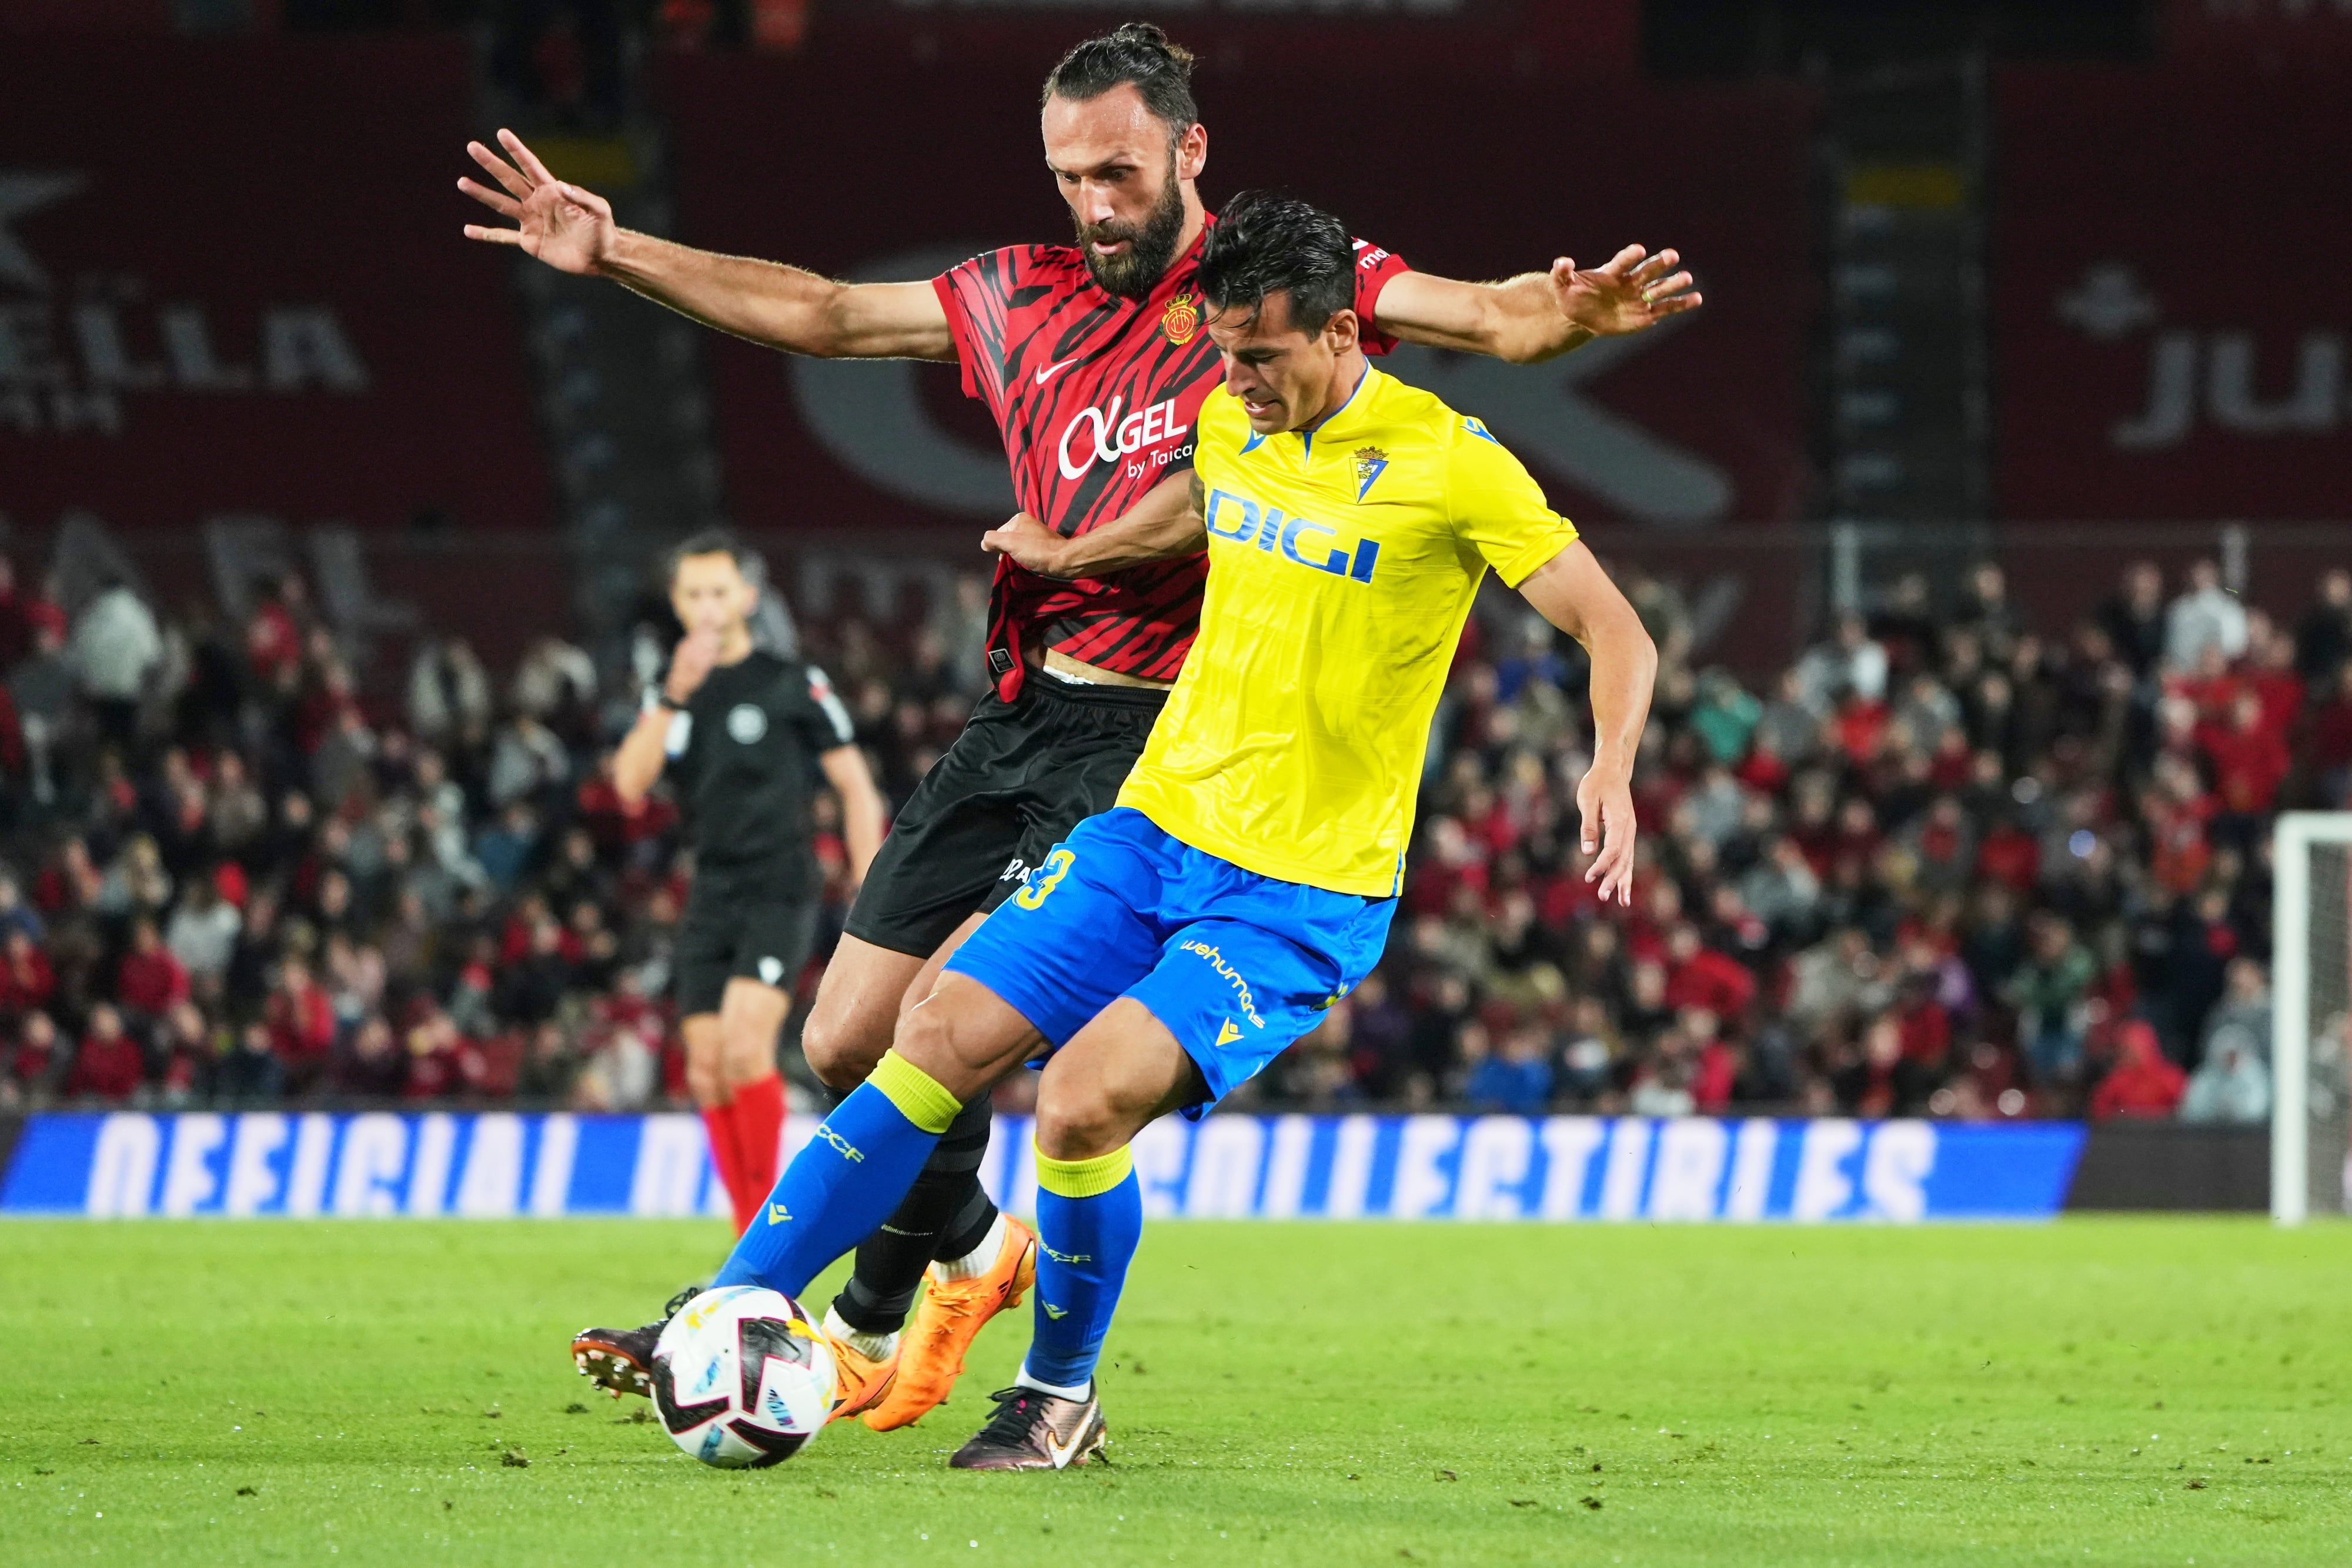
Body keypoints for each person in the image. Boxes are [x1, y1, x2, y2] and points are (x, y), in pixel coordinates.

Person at [514, 23, 1699, 1426]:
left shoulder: (1283, 293)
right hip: (1023, 710)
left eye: (1118, 174)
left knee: (985, 1047)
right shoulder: (1021, 296)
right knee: (842, 1039)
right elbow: (828, 315)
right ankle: (967, 1254)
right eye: (1068, 177)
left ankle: (823, 1328)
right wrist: (622, 253)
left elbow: (1493, 318)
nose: (1093, 204)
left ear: (1189, 152)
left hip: (1162, 753)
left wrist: (1567, 311)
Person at [604, 534, 884, 1237]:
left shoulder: (790, 682)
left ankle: (763, 1238)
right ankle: (744, 1234)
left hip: (780, 882)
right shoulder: (669, 695)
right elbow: (629, 786)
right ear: (675, 603)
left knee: (741, 1049)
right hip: (711, 888)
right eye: (693, 594)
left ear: (747, 599)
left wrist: (870, 881)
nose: (706, 607)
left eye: (719, 592)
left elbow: (854, 785)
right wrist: (673, 692)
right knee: (703, 1069)